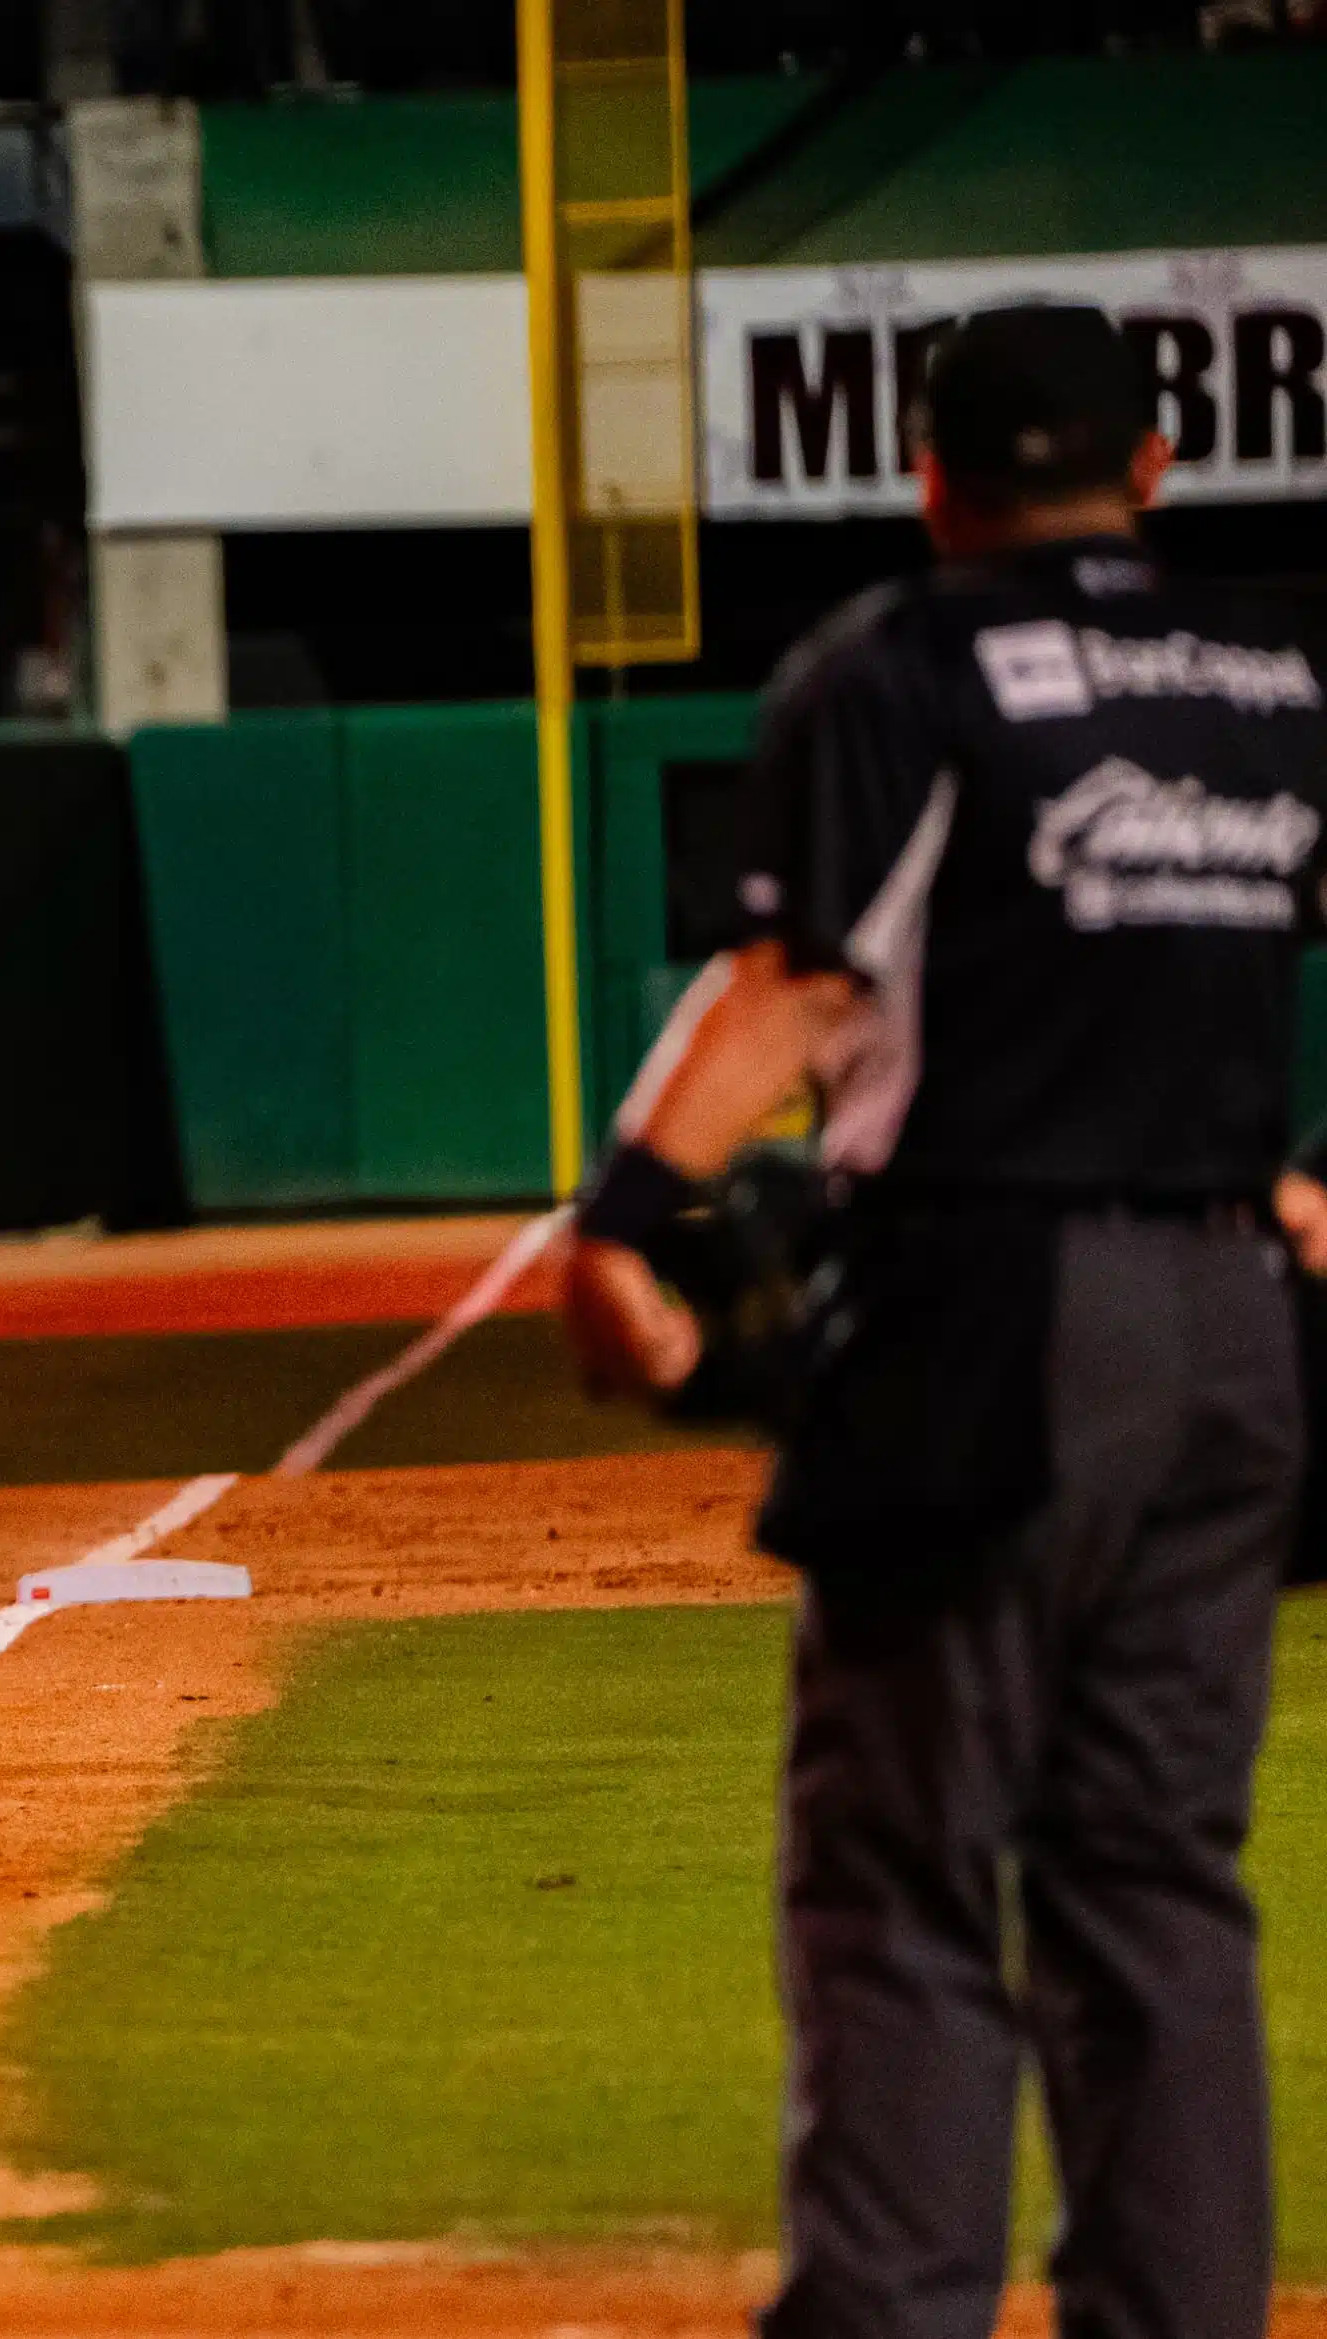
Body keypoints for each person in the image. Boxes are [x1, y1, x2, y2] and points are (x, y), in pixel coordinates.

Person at [564, 306, 1327, 2339]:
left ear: (930, 474)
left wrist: (623, 1220)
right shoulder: (1274, 670)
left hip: (993, 1321)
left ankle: (890, 2307)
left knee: (901, 1876)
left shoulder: (899, 664)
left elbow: (802, 991)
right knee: (1157, 1878)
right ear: (1154, 466)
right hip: (1236, 1329)